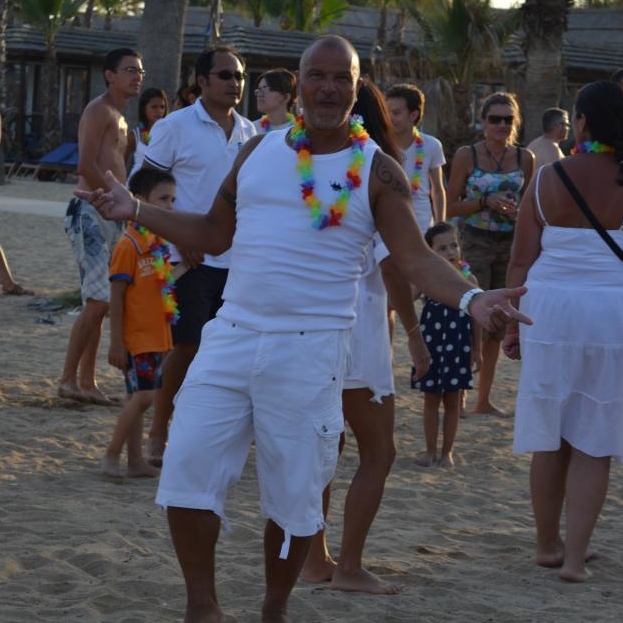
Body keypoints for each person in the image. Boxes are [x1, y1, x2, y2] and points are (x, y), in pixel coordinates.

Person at [76, 34, 530, 623]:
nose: (328, 88)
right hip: (231, 332)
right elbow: (214, 233)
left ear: (357, 87)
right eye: (317, 75)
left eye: (342, 78)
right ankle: (202, 608)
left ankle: (274, 609)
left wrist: (472, 297)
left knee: (294, 503)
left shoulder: (378, 170)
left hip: (311, 349)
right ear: (299, 82)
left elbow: (415, 258)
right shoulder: (257, 150)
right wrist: (136, 210)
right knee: (186, 474)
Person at [301, 77, 432, 594]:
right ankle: (349, 566)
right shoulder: (375, 171)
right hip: (359, 325)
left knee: (323, 449)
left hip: (311, 323)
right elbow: (395, 265)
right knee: (378, 452)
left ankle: (316, 559)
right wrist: (415, 336)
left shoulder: (303, 163)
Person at [504, 80, 623, 583]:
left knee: (551, 434)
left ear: (585, 122)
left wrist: (511, 324)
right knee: (594, 438)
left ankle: (546, 545)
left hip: (547, 310)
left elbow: (520, 259)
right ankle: (575, 559)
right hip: (611, 311)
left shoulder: (548, 177)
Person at [142, 43, 256, 467]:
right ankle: (158, 429)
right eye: (225, 75)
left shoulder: (251, 133)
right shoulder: (174, 126)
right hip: (189, 259)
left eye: (239, 76)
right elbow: (145, 188)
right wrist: (179, 237)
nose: (234, 83)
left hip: (239, 262)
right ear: (202, 81)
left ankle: (210, 435)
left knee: (229, 354)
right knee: (186, 347)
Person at [58, 47, 144, 406]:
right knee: (97, 301)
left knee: (102, 303)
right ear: (110, 75)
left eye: (140, 71)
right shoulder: (99, 110)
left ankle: (87, 381)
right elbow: (85, 164)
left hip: (110, 213)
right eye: (130, 70)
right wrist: (114, 198)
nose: (137, 77)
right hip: (90, 210)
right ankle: (67, 380)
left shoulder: (121, 118)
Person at [447, 91, 534, 417]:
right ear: (483, 121)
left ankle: (483, 399)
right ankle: (459, 396)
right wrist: (485, 202)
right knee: (472, 315)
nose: (501, 125)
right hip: (474, 241)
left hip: (510, 243)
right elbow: (449, 205)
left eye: (507, 119)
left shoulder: (525, 157)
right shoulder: (467, 155)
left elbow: (531, 203)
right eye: (494, 119)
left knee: (498, 321)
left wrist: (519, 212)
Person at [102, 168, 176, 479]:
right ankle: (112, 454)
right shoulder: (129, 245)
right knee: (144, 397)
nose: (170, 206)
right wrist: (116, 342)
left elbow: (160, 286)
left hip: (157, 336)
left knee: (138, 398)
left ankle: (134, 461)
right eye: (163, 199)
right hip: (137, 339)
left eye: (172, 200)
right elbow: (117, 296)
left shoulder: (157, 242)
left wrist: (188, 264)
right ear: (141, 200)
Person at [412, 221, 482, 468]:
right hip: (431, 348)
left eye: (454, 246)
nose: (451, 252)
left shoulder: (468, 278)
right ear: (430, 252)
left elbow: (476, 318)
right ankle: (430, 451)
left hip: (458, 347)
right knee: (431, 401)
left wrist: (477, 350)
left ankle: (447, 453)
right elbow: (406, 297)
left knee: (453, 402)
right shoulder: (427, 279)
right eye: (442, 249)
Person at [385, 83, 446, 233]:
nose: (389, 118)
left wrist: (441, 228)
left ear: (413, 115)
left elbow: (438, 190)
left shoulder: (432, 145)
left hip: (421, 227)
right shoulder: (378, 146)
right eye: (386, 112)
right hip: (386, 228)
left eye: (396, 113)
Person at [126, 87, 169, 180]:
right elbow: (121, 163)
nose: (159, 111)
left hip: (160, 185)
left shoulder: (169, 133)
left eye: (162, 107)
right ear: (144, 108)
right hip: (136, 184)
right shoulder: (135, 135)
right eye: (154, 107)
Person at [253, 68, 297, 134]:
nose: (259, 94)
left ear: (286, 97)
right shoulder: (252, 128)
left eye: (265, 88)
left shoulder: (300, 130)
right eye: (258, 90)